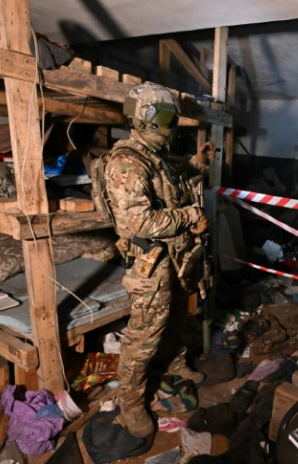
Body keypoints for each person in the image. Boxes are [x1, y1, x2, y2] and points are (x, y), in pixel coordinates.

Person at [103, 82, 209, 438]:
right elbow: (141, 221)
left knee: (177, 315)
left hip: (175, 258)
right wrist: (191, 216)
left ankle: (174, 365)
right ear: (145, 118)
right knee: (143, 336)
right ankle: (131, 401)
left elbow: (171, 184)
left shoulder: (155, 156)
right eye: (167, 117)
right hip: (150, 263)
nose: (171, 125)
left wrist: (196, 164)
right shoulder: (127, 161)